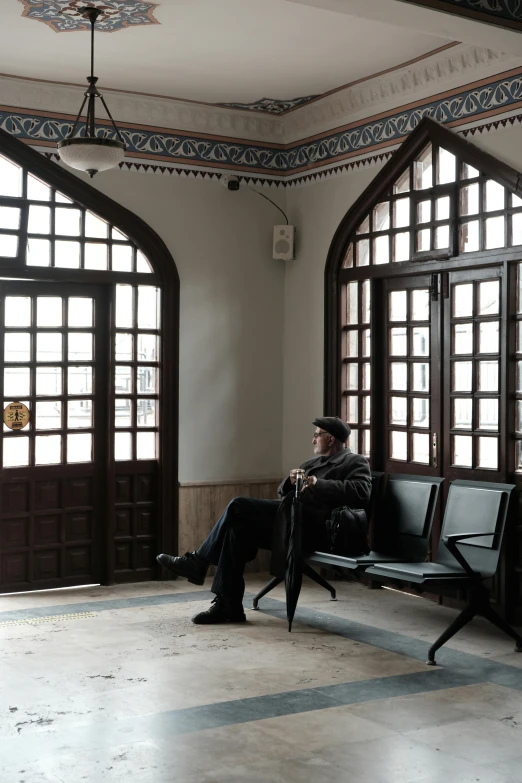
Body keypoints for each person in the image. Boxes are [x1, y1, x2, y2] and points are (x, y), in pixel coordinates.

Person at [157, 417, 371, 625]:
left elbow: (362, 492)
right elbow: (282, 493)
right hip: (291, 524)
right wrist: (289, 482)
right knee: (237, 529)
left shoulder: (354, 461)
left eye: (316, 436)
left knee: (238, 505)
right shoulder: (312, 462)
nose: (313, 440)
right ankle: (228, 606)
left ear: (331, 439)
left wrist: (318, 483)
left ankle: (197, 563)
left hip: (318, 531)